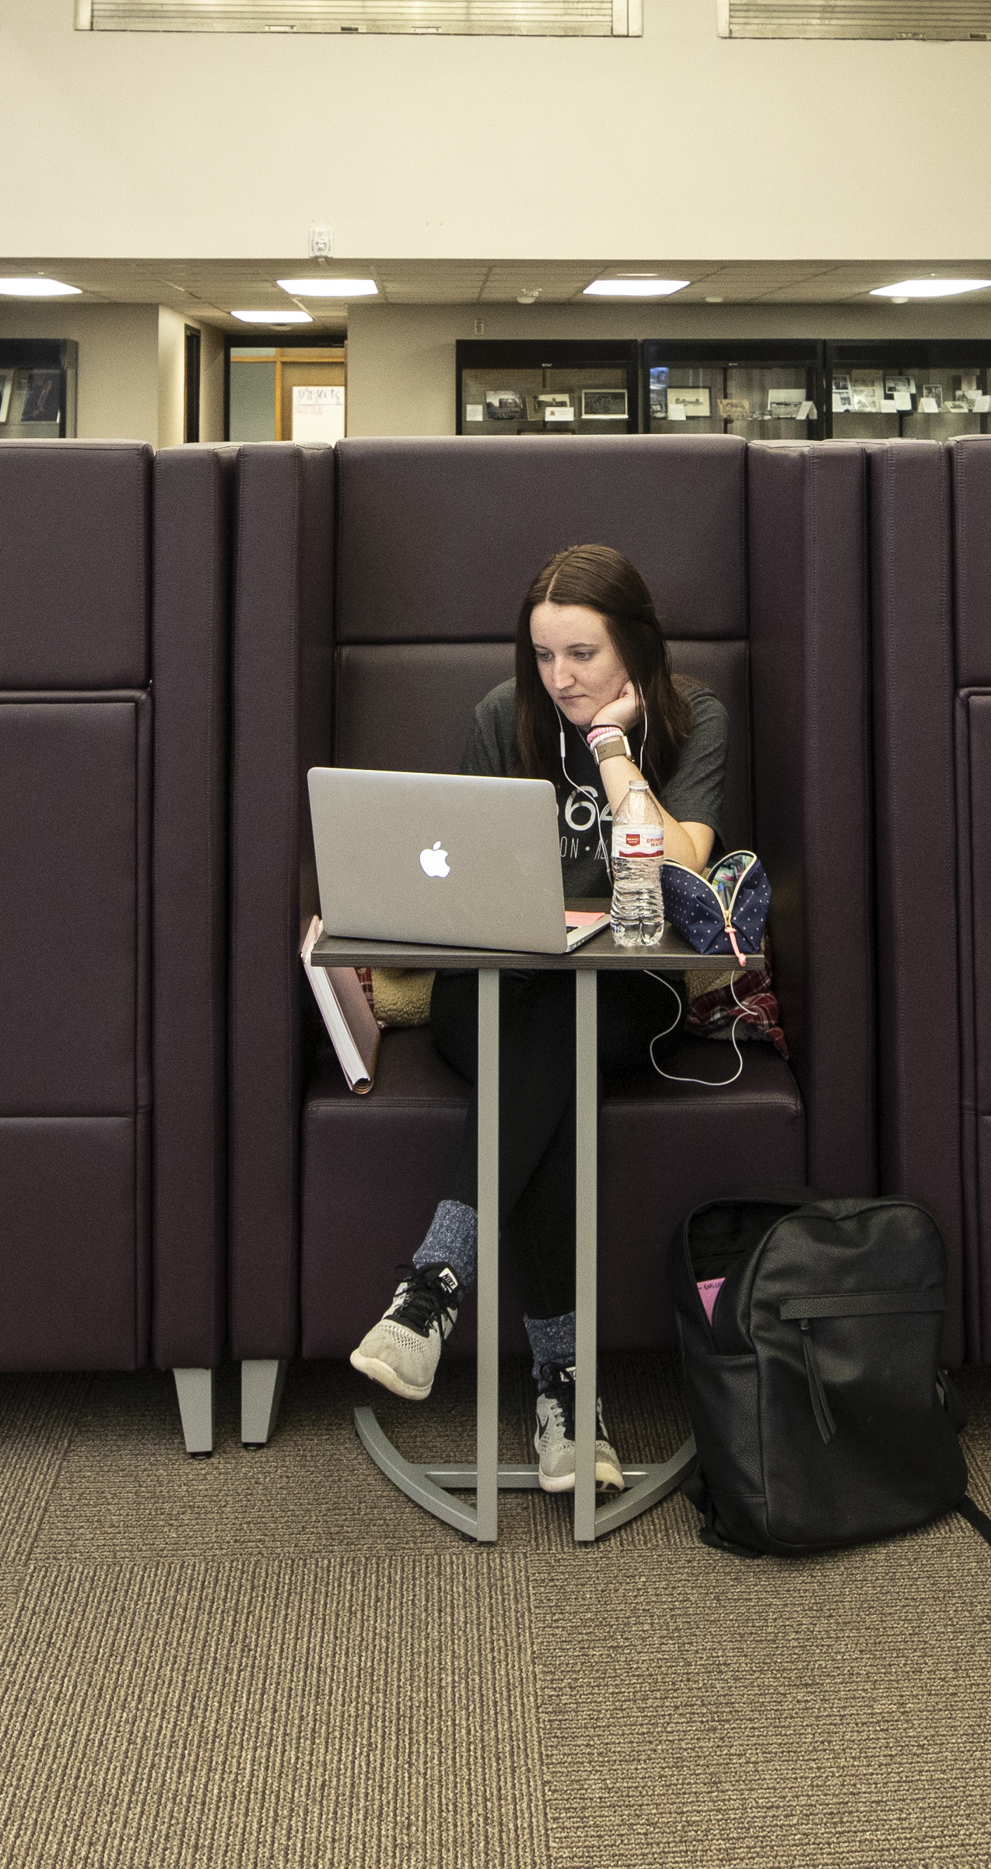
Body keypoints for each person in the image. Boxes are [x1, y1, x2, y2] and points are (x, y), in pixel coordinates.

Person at [345, 542, 727, 1495]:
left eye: (583, 656)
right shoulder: (498, 718)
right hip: (492, 986)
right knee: (538, 1048)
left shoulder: (694, 716)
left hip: (627, 992)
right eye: (545, 655)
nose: (560, 679)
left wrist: (610, 747)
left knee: (553, 1044)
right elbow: (457, 879)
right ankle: (566, 1394)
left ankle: (435, 1285)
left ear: (634, 647)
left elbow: (681, 871)